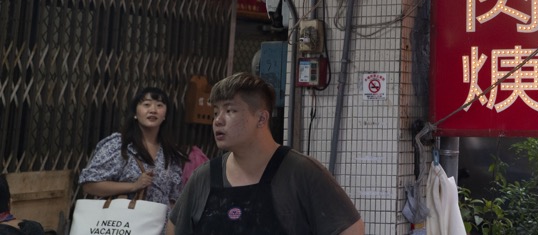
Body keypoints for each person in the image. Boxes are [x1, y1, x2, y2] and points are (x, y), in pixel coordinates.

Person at [168, 73, 363, 235]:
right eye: (215, 112)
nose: (218, 121)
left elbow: (352, 230)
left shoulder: (301, 172)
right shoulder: (204, 177)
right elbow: (174, 229)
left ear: (261, 118)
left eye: (230, 110)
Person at [79, 86, 187, 208]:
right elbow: (89, 184)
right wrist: (134, 186)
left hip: (158, 224)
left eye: (159, 105)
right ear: (135, 113)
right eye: (146, 104)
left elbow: (173, 198)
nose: (153, 110)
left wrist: (171, 227)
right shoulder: (118, 145)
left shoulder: (170, 152)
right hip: (123, 223)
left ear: (165, 115)